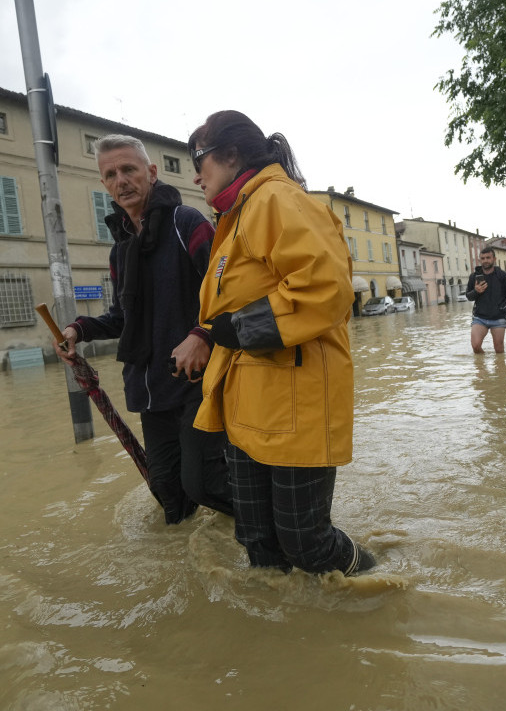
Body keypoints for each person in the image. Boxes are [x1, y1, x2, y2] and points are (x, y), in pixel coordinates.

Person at [187, 110, 375, 576]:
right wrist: (212, 332)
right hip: (248, 405)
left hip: (295, 402)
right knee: (258, 541)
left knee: (307, 543)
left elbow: (325, 286)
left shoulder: (275, 200)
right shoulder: (235, 218)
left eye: (198, 159)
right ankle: (287, 618)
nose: (195, 175)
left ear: (231, 155)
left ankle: (381, 580)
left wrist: (237, 328)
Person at [54, 134, 232, 524]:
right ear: (104, 184)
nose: (121, 181)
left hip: (199, 382)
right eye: (110, 175)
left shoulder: (187, 223)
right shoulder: (120, 250)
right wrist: (78, 330)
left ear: (151, 173)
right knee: (169, 497)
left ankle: (274, 533)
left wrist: (203, 334)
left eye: (129, 169)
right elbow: (122, 317)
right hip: (151, 392)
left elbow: (230, 290)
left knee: (205, 484)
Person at [465, 246, 506, 353]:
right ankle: (482, 363)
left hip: (498, 318)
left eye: (488, 258)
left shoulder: (503, 275)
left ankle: (499, 364)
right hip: (479, 317)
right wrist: (476, 291)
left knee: (499, 350)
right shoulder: (474, 277)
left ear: (494, 259)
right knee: (475, 346)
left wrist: (503, 309)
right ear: (480, 260)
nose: (485, 260)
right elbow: (469, 296)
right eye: (483, 258)